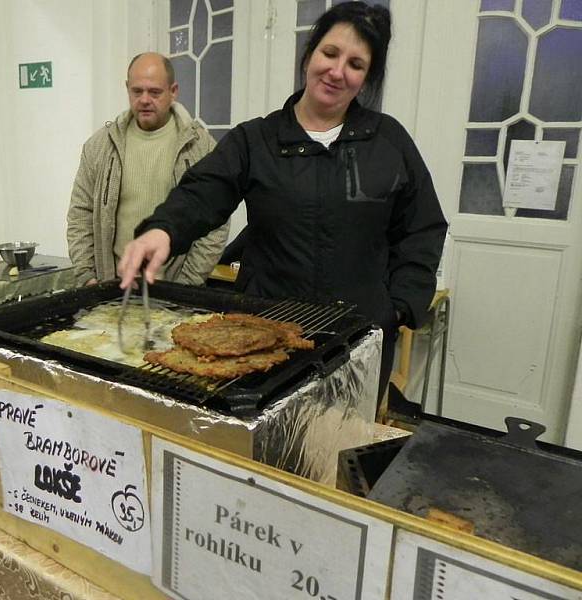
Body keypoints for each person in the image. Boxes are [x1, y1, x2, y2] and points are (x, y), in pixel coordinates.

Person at [118, 2, 448, 402]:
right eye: (330, 53)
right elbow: (203, 189)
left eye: (356, 64)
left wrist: (397, 309)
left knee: (337, 454)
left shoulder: (389, 142)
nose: (338, 71)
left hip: (360, 339)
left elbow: (422, 227)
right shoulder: (257, 140)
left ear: (366, 78)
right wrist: (163, 230)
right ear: (309, 55)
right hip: (262, 339)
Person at [66, 52, 229, 288]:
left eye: (154, 92)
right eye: (136, 91)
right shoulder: (100, 146)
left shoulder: (201, 147)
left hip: (176, 289)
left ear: (173, 91)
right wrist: (87, 277)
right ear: (127, 88)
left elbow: (216, 224)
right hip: (114, 289)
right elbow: (80, 214)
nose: (144, 99)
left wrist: (186, 285)